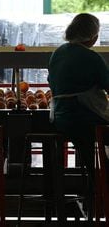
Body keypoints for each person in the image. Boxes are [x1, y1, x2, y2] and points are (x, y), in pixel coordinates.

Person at [48, 13, 109, 220]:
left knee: (88, 151)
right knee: (101, 145)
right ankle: (102, 188)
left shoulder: (58, 53)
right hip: (85, 118)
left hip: (61, 119)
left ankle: (96, 188)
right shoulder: (90, 57)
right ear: (92, 36)